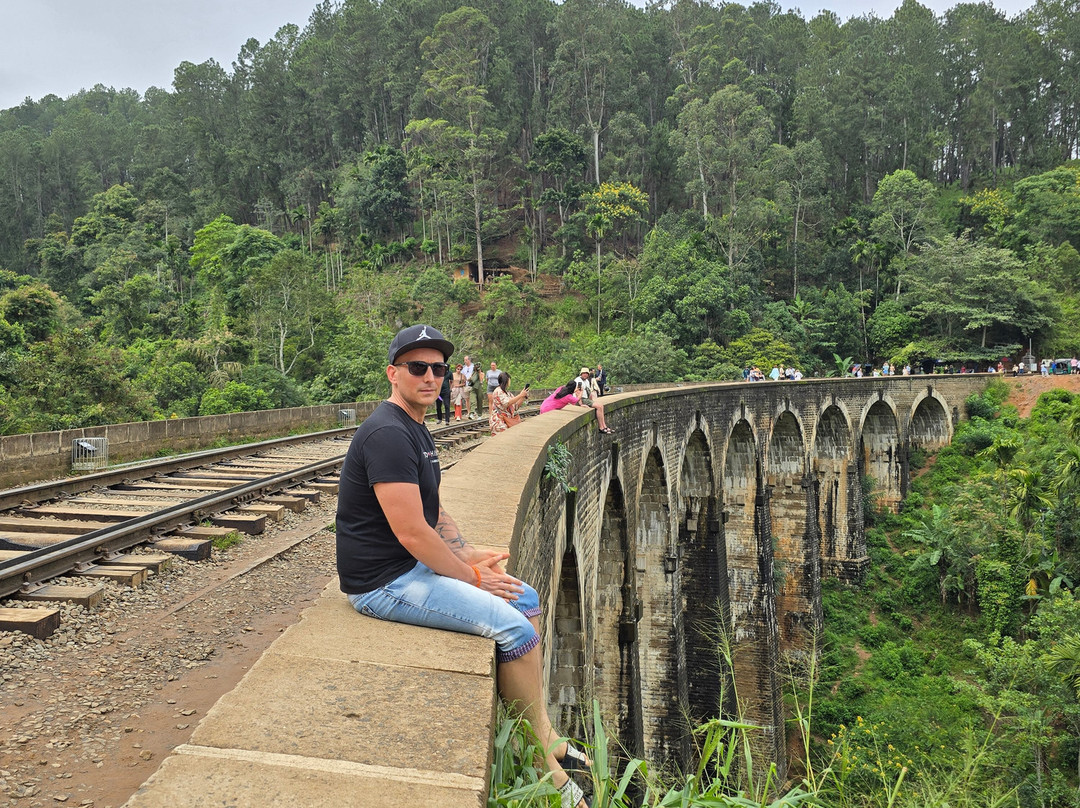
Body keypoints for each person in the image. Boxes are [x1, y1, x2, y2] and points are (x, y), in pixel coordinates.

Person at [336, 324, 591, 808]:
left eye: (438, 369)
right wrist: (472, 576)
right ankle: (542, 763)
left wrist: (466, 551)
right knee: (515, 629)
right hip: (383, 582)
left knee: (525, 597)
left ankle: (543, 730)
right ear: (393, 374)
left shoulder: (414, 426)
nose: (430, 377)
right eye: (417, 367)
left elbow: (431, 511)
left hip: (408, 567)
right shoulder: (388, 434)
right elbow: (412, 533)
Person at [541, 380, 614, 434]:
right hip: (549, 409)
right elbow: (576, 400)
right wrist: (581, 392)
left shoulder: (561, 388)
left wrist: (575, 390)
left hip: (544, 405)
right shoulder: (568, 397)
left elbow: (566, 391)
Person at [489, 371, 528, 435]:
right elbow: (506, 403)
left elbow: (515, 407)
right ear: (506, 380)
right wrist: (520, 395)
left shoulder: (508, 393)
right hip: (499, 422)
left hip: (506, 421)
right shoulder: (498, 391)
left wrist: (522, 396)